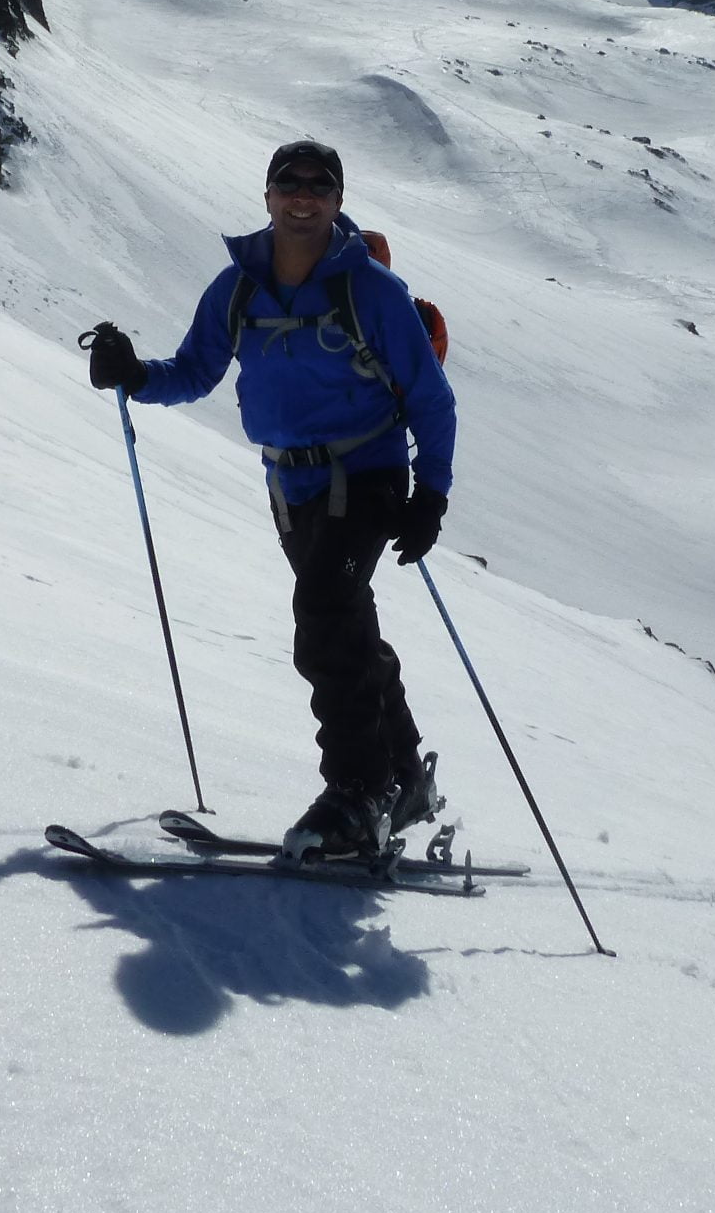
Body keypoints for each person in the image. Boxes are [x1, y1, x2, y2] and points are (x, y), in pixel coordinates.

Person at [82, 139, 457, 862]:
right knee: (347, 626)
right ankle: (404, 778)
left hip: (367, 477)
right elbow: (194, 371)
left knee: (322, 619)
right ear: (267, 195)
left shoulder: (371, 291)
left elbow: (432, 400)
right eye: (290, 182)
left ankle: (357, 792)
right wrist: (133, 374)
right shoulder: (239, 288)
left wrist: (430, 494)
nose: (303, 195)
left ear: (338, 201)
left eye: (320, 185)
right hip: (291, 489)